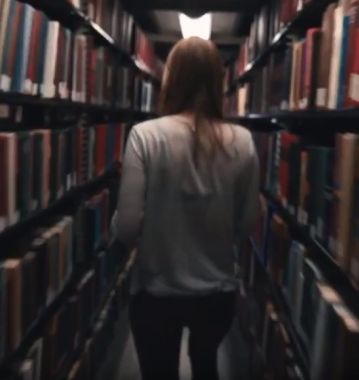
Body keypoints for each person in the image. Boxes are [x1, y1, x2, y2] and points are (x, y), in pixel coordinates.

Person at [110, 36, 260, 380]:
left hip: (156, 293)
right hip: (216, 293)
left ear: (171, 78)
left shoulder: (145, 136)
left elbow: (127, 226)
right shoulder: (243, 141)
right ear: (217, 81)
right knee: (206, 366)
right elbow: (248, 223)